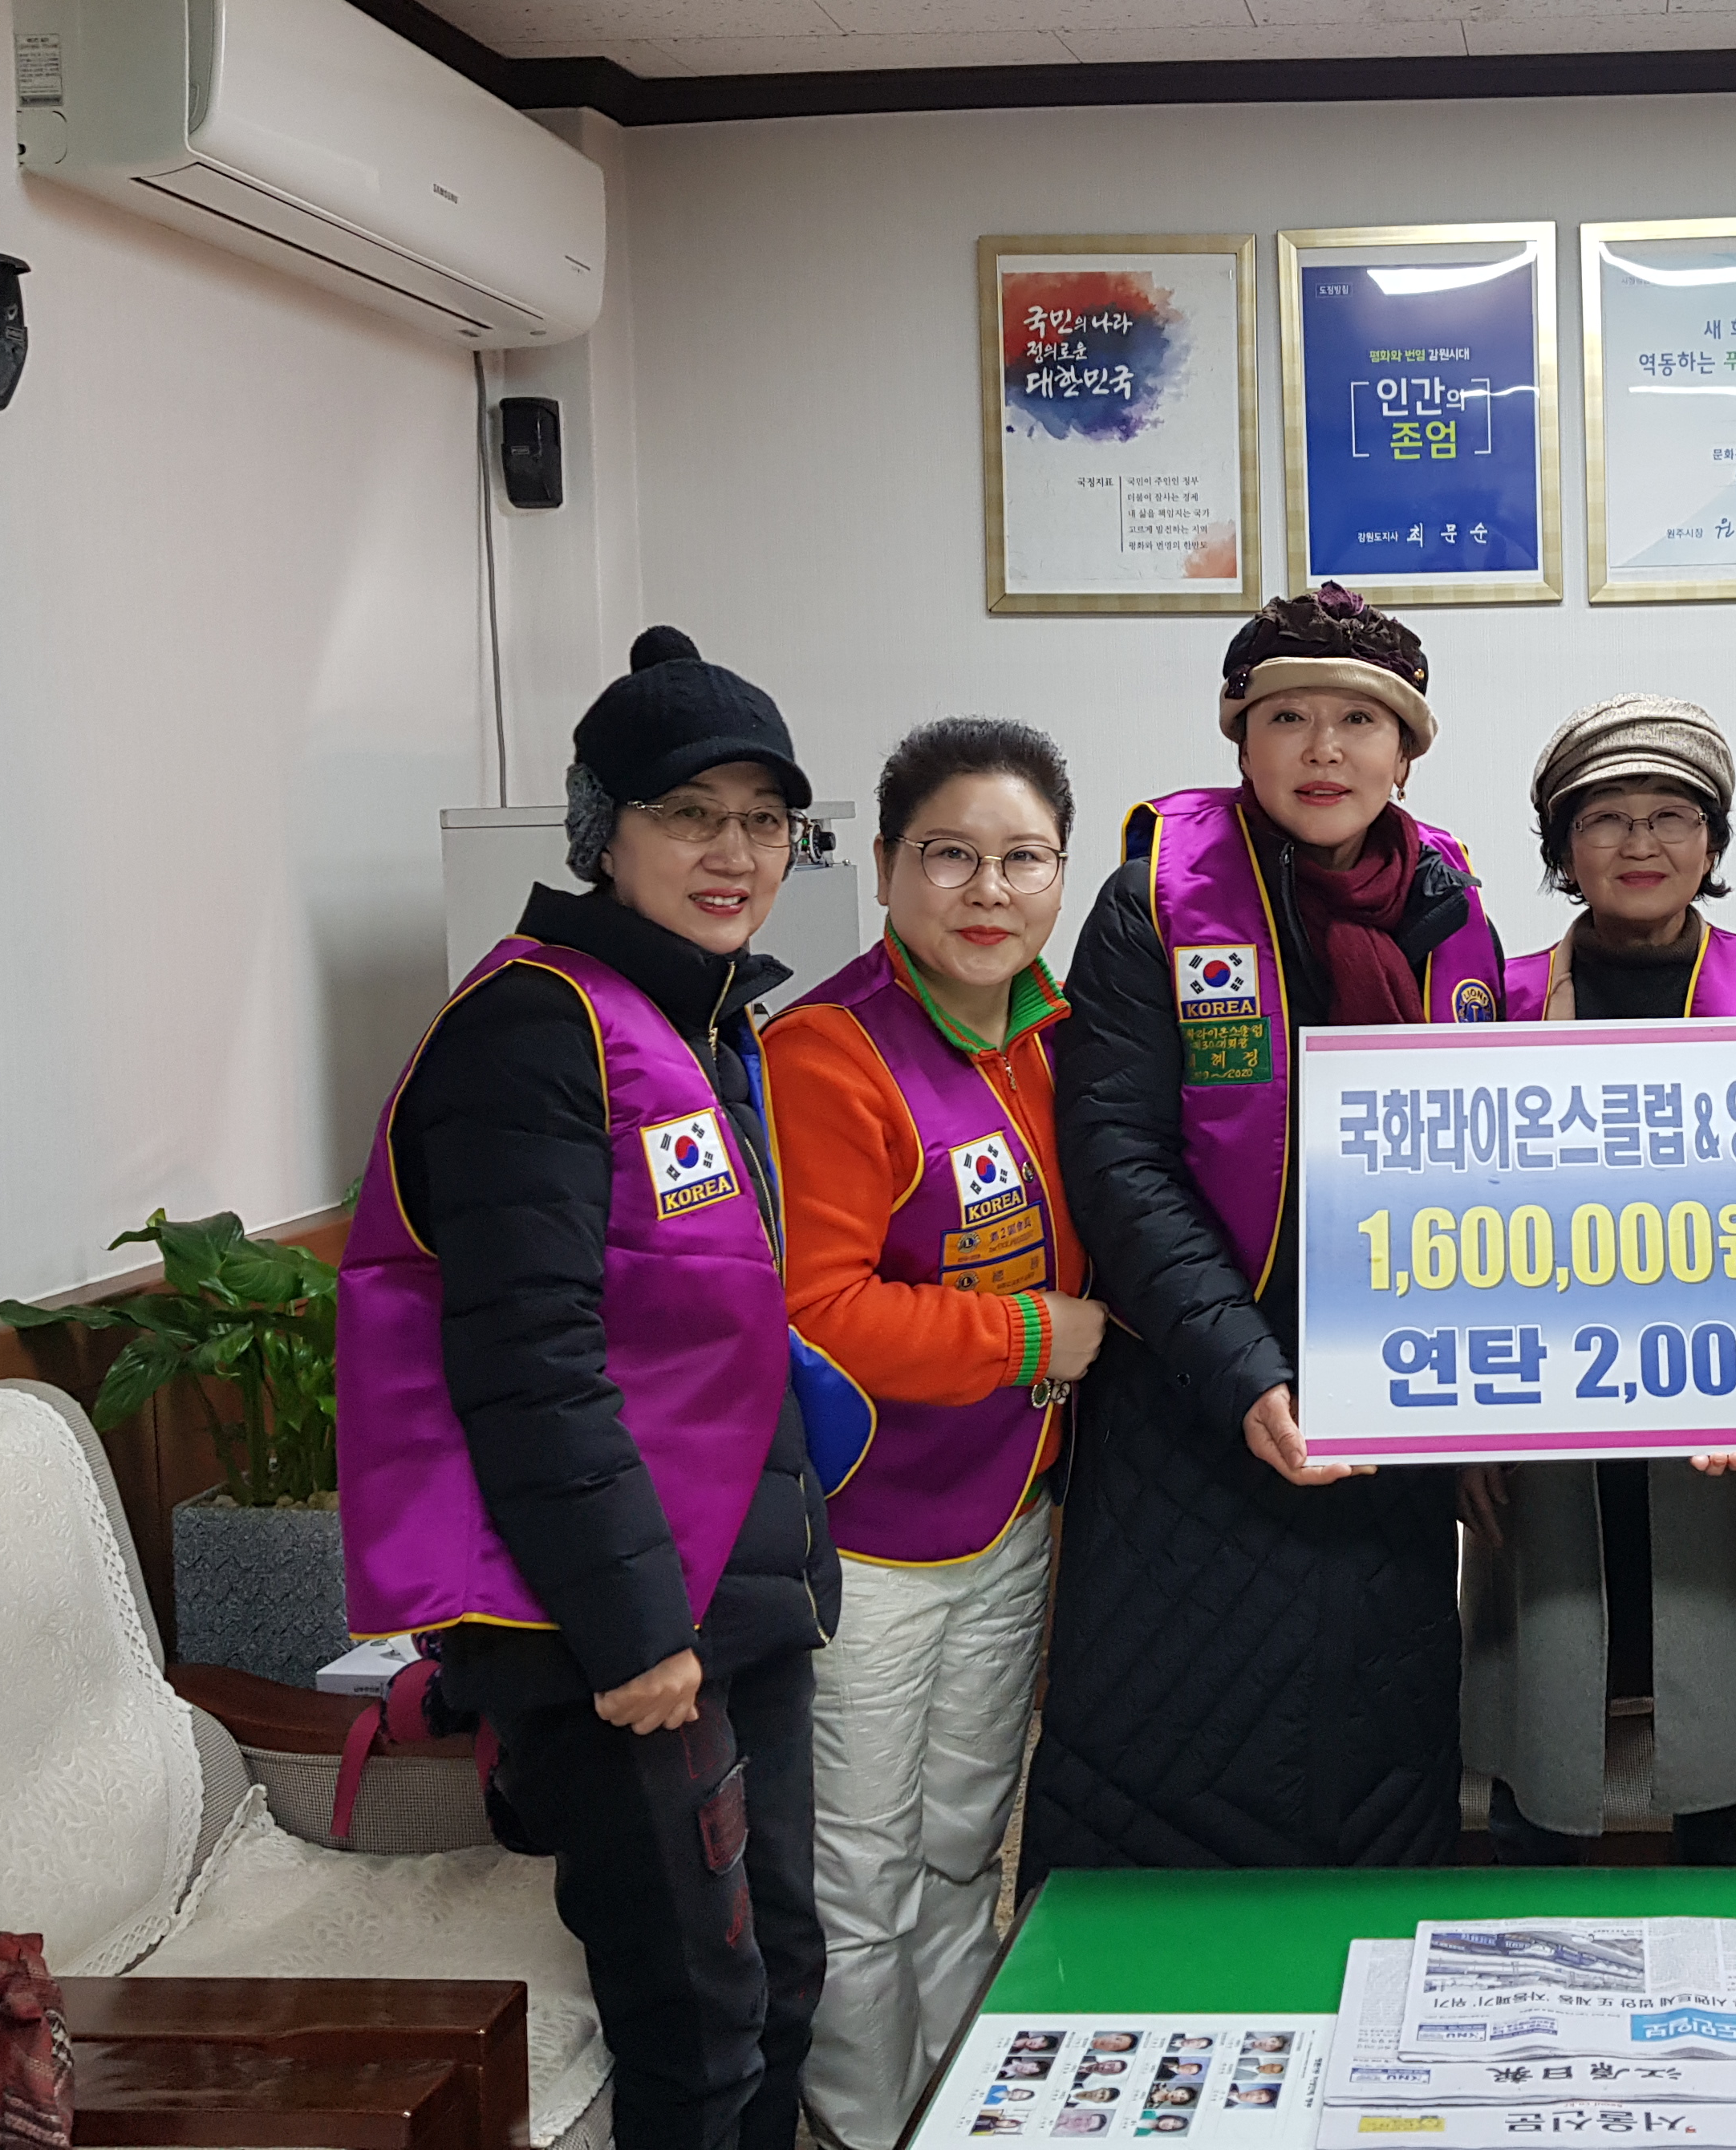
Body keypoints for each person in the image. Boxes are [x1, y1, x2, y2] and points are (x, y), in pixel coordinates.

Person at [338, 627, 837, 2150]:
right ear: (600, 831)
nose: (734, 852)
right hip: (611, 1623)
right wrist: (634, 1633)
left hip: (729, 1595)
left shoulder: (705, 1021)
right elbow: (528, 1355)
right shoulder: (531, 1029)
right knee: (695, 2027)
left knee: (779, 1985)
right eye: (691, 815)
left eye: (765, 820)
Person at [1020, 583, 1507, 1872]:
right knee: (1175, 1746)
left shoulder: (1451, 910)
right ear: (1240, 736)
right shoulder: (1152, 905)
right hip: (1195, 1387)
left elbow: (1494, 1160)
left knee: (1375, 1734)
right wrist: (1243, 1368)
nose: (1323, 749)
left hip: (1391, 1391)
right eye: (1288, 717)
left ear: (1408, 751)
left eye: (1360, 721)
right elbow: (1118, 1159)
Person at [765, 717, 1112, 2150]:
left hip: (1010, 1515)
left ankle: (958, 2113)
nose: (989, 891)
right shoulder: (827, 1050)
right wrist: (1033, 1337)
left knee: (968, 1845)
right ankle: (862, 2125)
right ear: (888, 867)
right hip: (870, 1539)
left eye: (1024, 859)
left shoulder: (1060, 1038)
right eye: (950, 855)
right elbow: (817, 1311)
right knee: (858, 1871)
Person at [1463, 694, 1736, 1868]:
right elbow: (1443, 1229)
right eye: (1606, 818)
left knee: (1721, 1689)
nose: (1641, 843)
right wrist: (1457, 1431)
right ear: (1563, 848)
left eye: (1672, 816)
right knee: (1548, 1681)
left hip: (1735, 1400)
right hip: (1541, 1396)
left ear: (1712, 843)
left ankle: (1734, 1881)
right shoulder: (1495, 998)